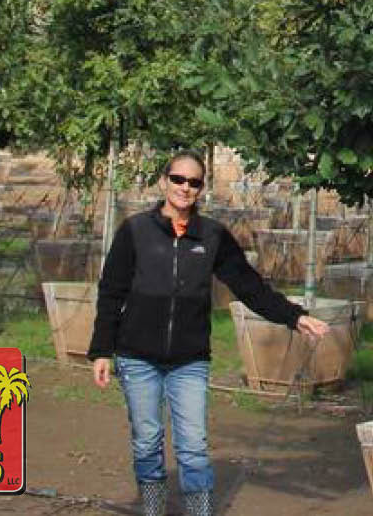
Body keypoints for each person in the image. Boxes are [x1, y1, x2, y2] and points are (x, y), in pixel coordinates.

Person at [88, 151, 330, 516]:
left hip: (189, 360)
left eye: (194, 182)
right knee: (147, 440)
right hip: (137, 356)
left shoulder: (212, 236)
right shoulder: (135, 231)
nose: (185, 188)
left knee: (193, 445)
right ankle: (152, 508)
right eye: (178, 179)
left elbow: (249, 286)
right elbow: (111, 291)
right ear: (164, 181)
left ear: (202, 188)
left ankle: (198, 512)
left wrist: (294, 317)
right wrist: (102, 350)